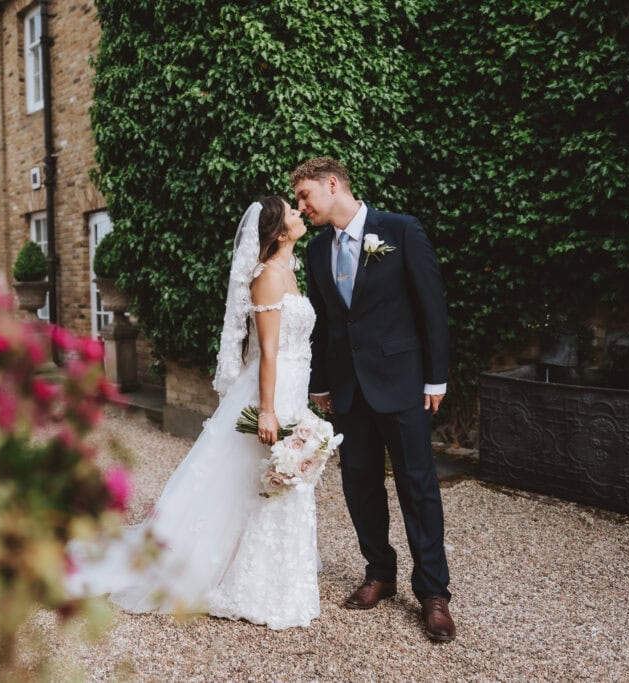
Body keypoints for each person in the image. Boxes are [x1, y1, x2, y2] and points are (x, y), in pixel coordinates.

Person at [66, 196, 320, 629]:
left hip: (295, 387)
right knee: (259, 476)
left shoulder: (291, 271)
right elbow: (270, 352)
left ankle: (275, 573)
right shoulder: (268, 278)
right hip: (272, 391)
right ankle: (242, 579)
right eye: (291, 212)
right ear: (279, 232)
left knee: (278, 477)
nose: (299, 212)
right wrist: (266, 411)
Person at [292, 157, 456, 642]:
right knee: (360, 485)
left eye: (305, 196)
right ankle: (379, 572)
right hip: (347, 389)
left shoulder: (400, 230)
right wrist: (320, 383)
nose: (301, 207)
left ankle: (433, 592)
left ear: (333, 184)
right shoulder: (318, 250)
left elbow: (432, 307)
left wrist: (435, 378)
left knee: (418, 486)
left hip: (403, 383)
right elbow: (323, 322)